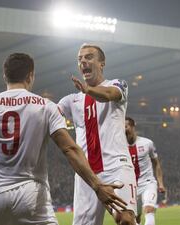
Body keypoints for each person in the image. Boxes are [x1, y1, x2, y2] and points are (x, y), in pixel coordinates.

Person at [0, 53, 127, 225]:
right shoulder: (46, 106)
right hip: (34, 198)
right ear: (31, 76)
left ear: (5, 76)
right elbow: (70, 150)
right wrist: (97, 185)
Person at [58, 44, 137, 225]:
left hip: (117, 166)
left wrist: (88, 90)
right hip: (87, 175)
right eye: (80, 59)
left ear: (102, 63)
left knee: (126, 219)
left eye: (89, 57)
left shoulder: (118, 85)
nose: (83, 61)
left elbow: (109, 95)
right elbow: (52, 114)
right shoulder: (71, 100)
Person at [125, 117, 166, 225]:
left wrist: (160, 183)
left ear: (133, 127)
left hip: (148, 183)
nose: (124, 130)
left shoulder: (147, 143)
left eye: (126, 126)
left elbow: (156, 163)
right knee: (134, 218)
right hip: (130, 187)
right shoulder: (119, 146)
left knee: (149, 209)